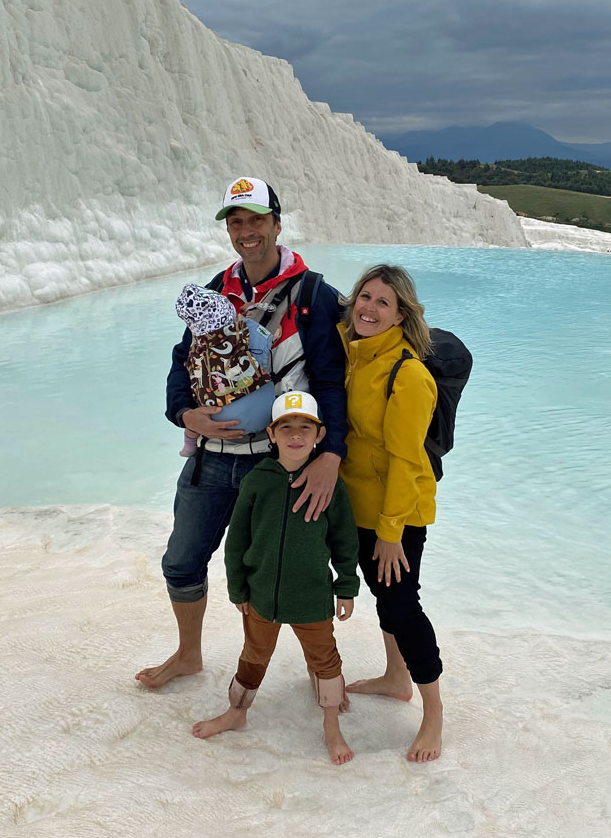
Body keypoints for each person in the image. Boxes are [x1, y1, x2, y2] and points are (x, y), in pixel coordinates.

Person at [135, 177, 348, 690]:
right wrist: (185, 416)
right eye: (236, 222)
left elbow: (331, 381)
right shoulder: (215, 292)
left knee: (277, 572)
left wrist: (332, 454)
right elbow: (181, 362)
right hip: (210, 457)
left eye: (256, 220)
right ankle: (189, 655)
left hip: (277, 463)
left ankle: (303, 672)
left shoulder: (313, 294)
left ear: (277, 224)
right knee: (182, 561)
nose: (247, 231)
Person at [191, 391, 360, 764]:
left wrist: (346, 585)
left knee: (325, 659)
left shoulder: (330, 485)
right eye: (287, 428)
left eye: (305, 428)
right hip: (261, 594)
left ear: (320, 435)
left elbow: (345, 539)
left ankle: (332, 725)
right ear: (271, 433)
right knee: (254, 655)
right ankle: (237, 712)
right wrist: (238, 587)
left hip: (312, 596)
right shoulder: (257, 481)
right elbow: (237, 541)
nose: (296, 436)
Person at [339, 263, 444, 763]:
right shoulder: (352, 355)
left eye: (384, 302)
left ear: (402, 314)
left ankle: (433, 712)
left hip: (397, 513)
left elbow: (406, 459)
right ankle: (395, 676)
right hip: (359, 504)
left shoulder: (409, 374)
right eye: (365, 296)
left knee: (402, 604)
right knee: (386, 595)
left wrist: (390, 532)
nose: (370, 308)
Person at [173, 283, 274, 457]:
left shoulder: (196, 347)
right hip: (263, 418)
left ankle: (189, 442)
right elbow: (266, 341)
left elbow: (183, 370)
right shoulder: (245, 332)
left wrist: (183, 414)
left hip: (213, 420)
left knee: (195, 413)